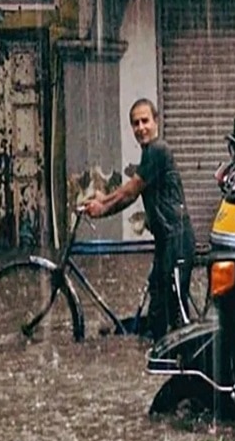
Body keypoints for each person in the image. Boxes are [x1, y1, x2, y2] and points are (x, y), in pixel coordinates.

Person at [82, 98, 196, 341]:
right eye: (135, 123)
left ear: (156, 122)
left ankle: (186, 364)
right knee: (158, 313)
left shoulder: (158, 150)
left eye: (145, 121)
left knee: (174, 316)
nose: (141, 127)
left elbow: (130, 191)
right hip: (167, 242)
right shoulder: (148, 155)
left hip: (176, 240)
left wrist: (102, 206)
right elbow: (128, 197)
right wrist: (103, 203)